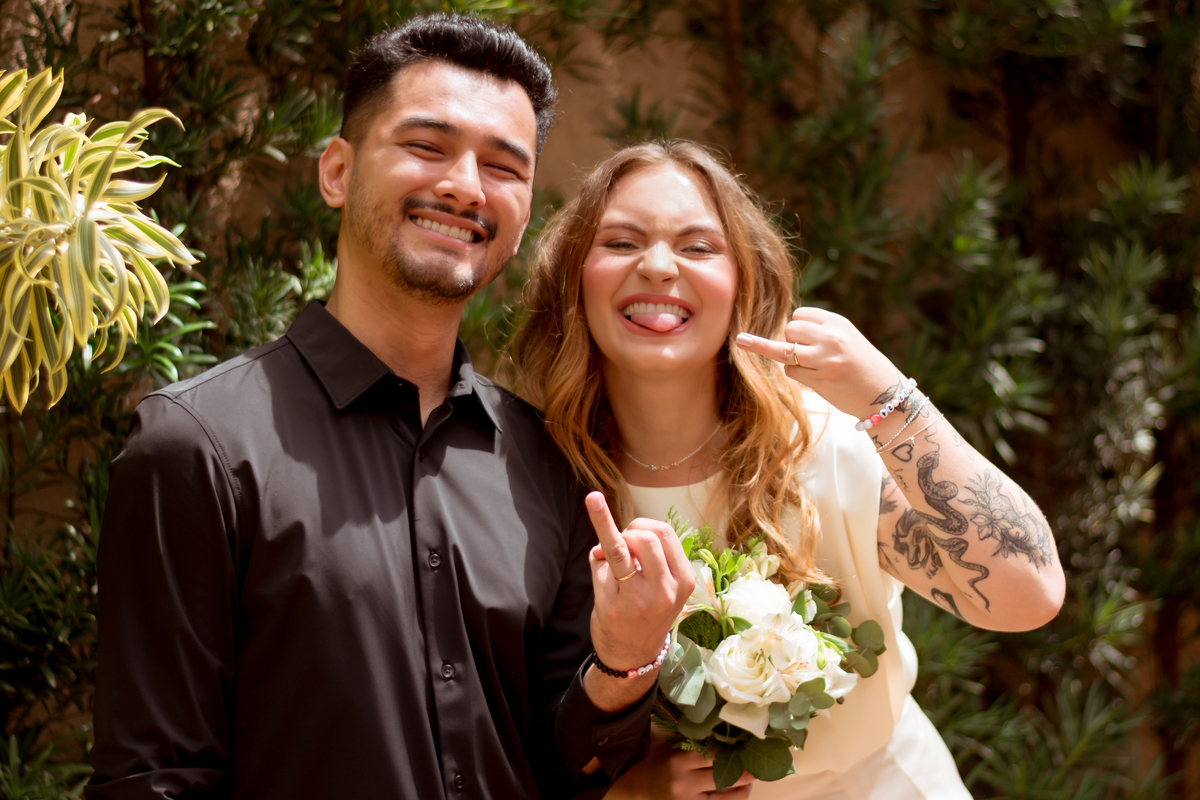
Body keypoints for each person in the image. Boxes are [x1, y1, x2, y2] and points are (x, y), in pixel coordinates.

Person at [86, 16, 694, 800]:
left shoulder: (551, 464)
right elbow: (155, 777)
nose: (466, 186)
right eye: (427, 147)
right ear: (337, 171)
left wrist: (621, 664)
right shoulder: (197, 447)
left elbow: (563, 765)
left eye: (504, 166)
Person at [509, 140, 1066, 799]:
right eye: (622, 242)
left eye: (697, 247)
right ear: (574, 277)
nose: (658, 266)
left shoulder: (824, 447)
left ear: (744, 283)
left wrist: (893, 398)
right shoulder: (529, 480)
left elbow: (1027, 595)